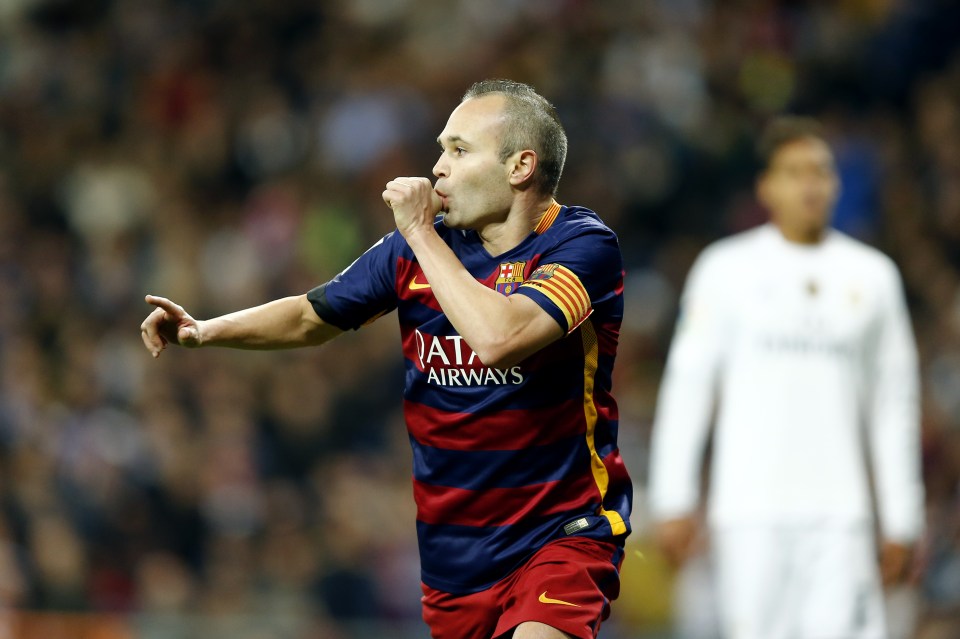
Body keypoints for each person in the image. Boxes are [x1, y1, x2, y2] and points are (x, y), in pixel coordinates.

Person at [140, 79, 632, 639]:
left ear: (521, 167)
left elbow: (500, 337)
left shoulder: (581, 246)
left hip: (561, 532)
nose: (437, 169)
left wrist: (422, 232)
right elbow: (309, 315)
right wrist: (205, 331)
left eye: (459, 150)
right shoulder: (414, 249)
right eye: (442, 148)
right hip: (454, 555)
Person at [647, 116, 924, 639]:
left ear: (837, 183)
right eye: (794, 172)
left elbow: (894, 402)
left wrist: (902, 517)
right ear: (766, 187)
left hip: (843, 514)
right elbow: (689, 386)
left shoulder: (873, 277)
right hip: (750, 509)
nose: (810, 184)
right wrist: (674, 497)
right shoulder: (725, 270)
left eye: (821, 171)